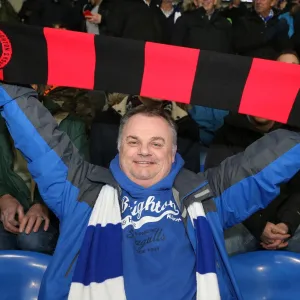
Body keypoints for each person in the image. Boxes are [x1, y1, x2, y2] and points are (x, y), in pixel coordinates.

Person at [1, 83, 300, 299]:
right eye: (133, 142)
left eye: (156, 143)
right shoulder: (82, 191)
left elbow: (261, 167)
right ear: (119, 148)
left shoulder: (206, 194)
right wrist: (8, 77)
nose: (144, 152)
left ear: (173, 153)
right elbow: (39, 141)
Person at [90, 94, 201, 172]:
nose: (144, 152)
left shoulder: (187, 126)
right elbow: (96, 175)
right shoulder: (104, 123)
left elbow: (188, 179)